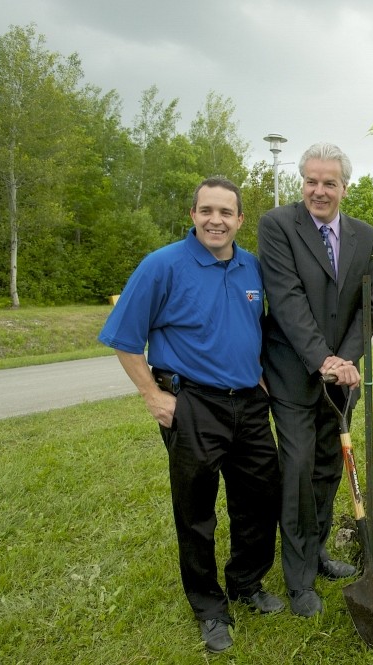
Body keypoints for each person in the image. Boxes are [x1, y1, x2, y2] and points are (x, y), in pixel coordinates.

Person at [98, 177, 283, 654]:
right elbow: (123, 338)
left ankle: (246, 583)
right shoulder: (162, 265)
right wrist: (152, 397)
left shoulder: (252, 268)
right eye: (207, 211)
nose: (215, 220)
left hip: (248, 403)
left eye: (226, 212)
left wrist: (258, 370)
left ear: (241, 220)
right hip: (193, 404)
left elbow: (254, 328)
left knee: (260, 499)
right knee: (196, 510)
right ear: (193, 215)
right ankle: (208, 607)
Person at [257, 142, 373, 619]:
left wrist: (345, 361)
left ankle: (319, 551)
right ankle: (298, 581)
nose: (319, 190)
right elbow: (286, 300)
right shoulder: (277, 226)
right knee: (298, 471)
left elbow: (365, 309)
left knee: (330, 469)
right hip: (292, 373)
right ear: (301, 182)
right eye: (311, 180)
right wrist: (323, 359)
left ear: (344, 188)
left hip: (341, 378)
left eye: (329, 182)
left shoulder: (365, 235)